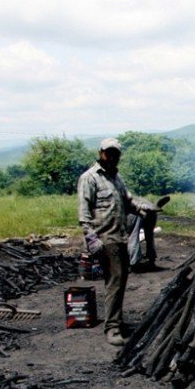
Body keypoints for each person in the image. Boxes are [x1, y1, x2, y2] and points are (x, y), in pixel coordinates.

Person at [78, 138, 161, 346]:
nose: (112, 156)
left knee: (119, 281)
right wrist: (92, 240)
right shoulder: (90, 178)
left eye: (115, 153)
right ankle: (112, 328)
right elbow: (84, 213)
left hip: (120, 237)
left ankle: (116, 320)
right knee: (114, 282)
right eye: (108, 152)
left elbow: (127, 201)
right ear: (101, 153)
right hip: (105, 239)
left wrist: (144, 210)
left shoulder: (116, 177)